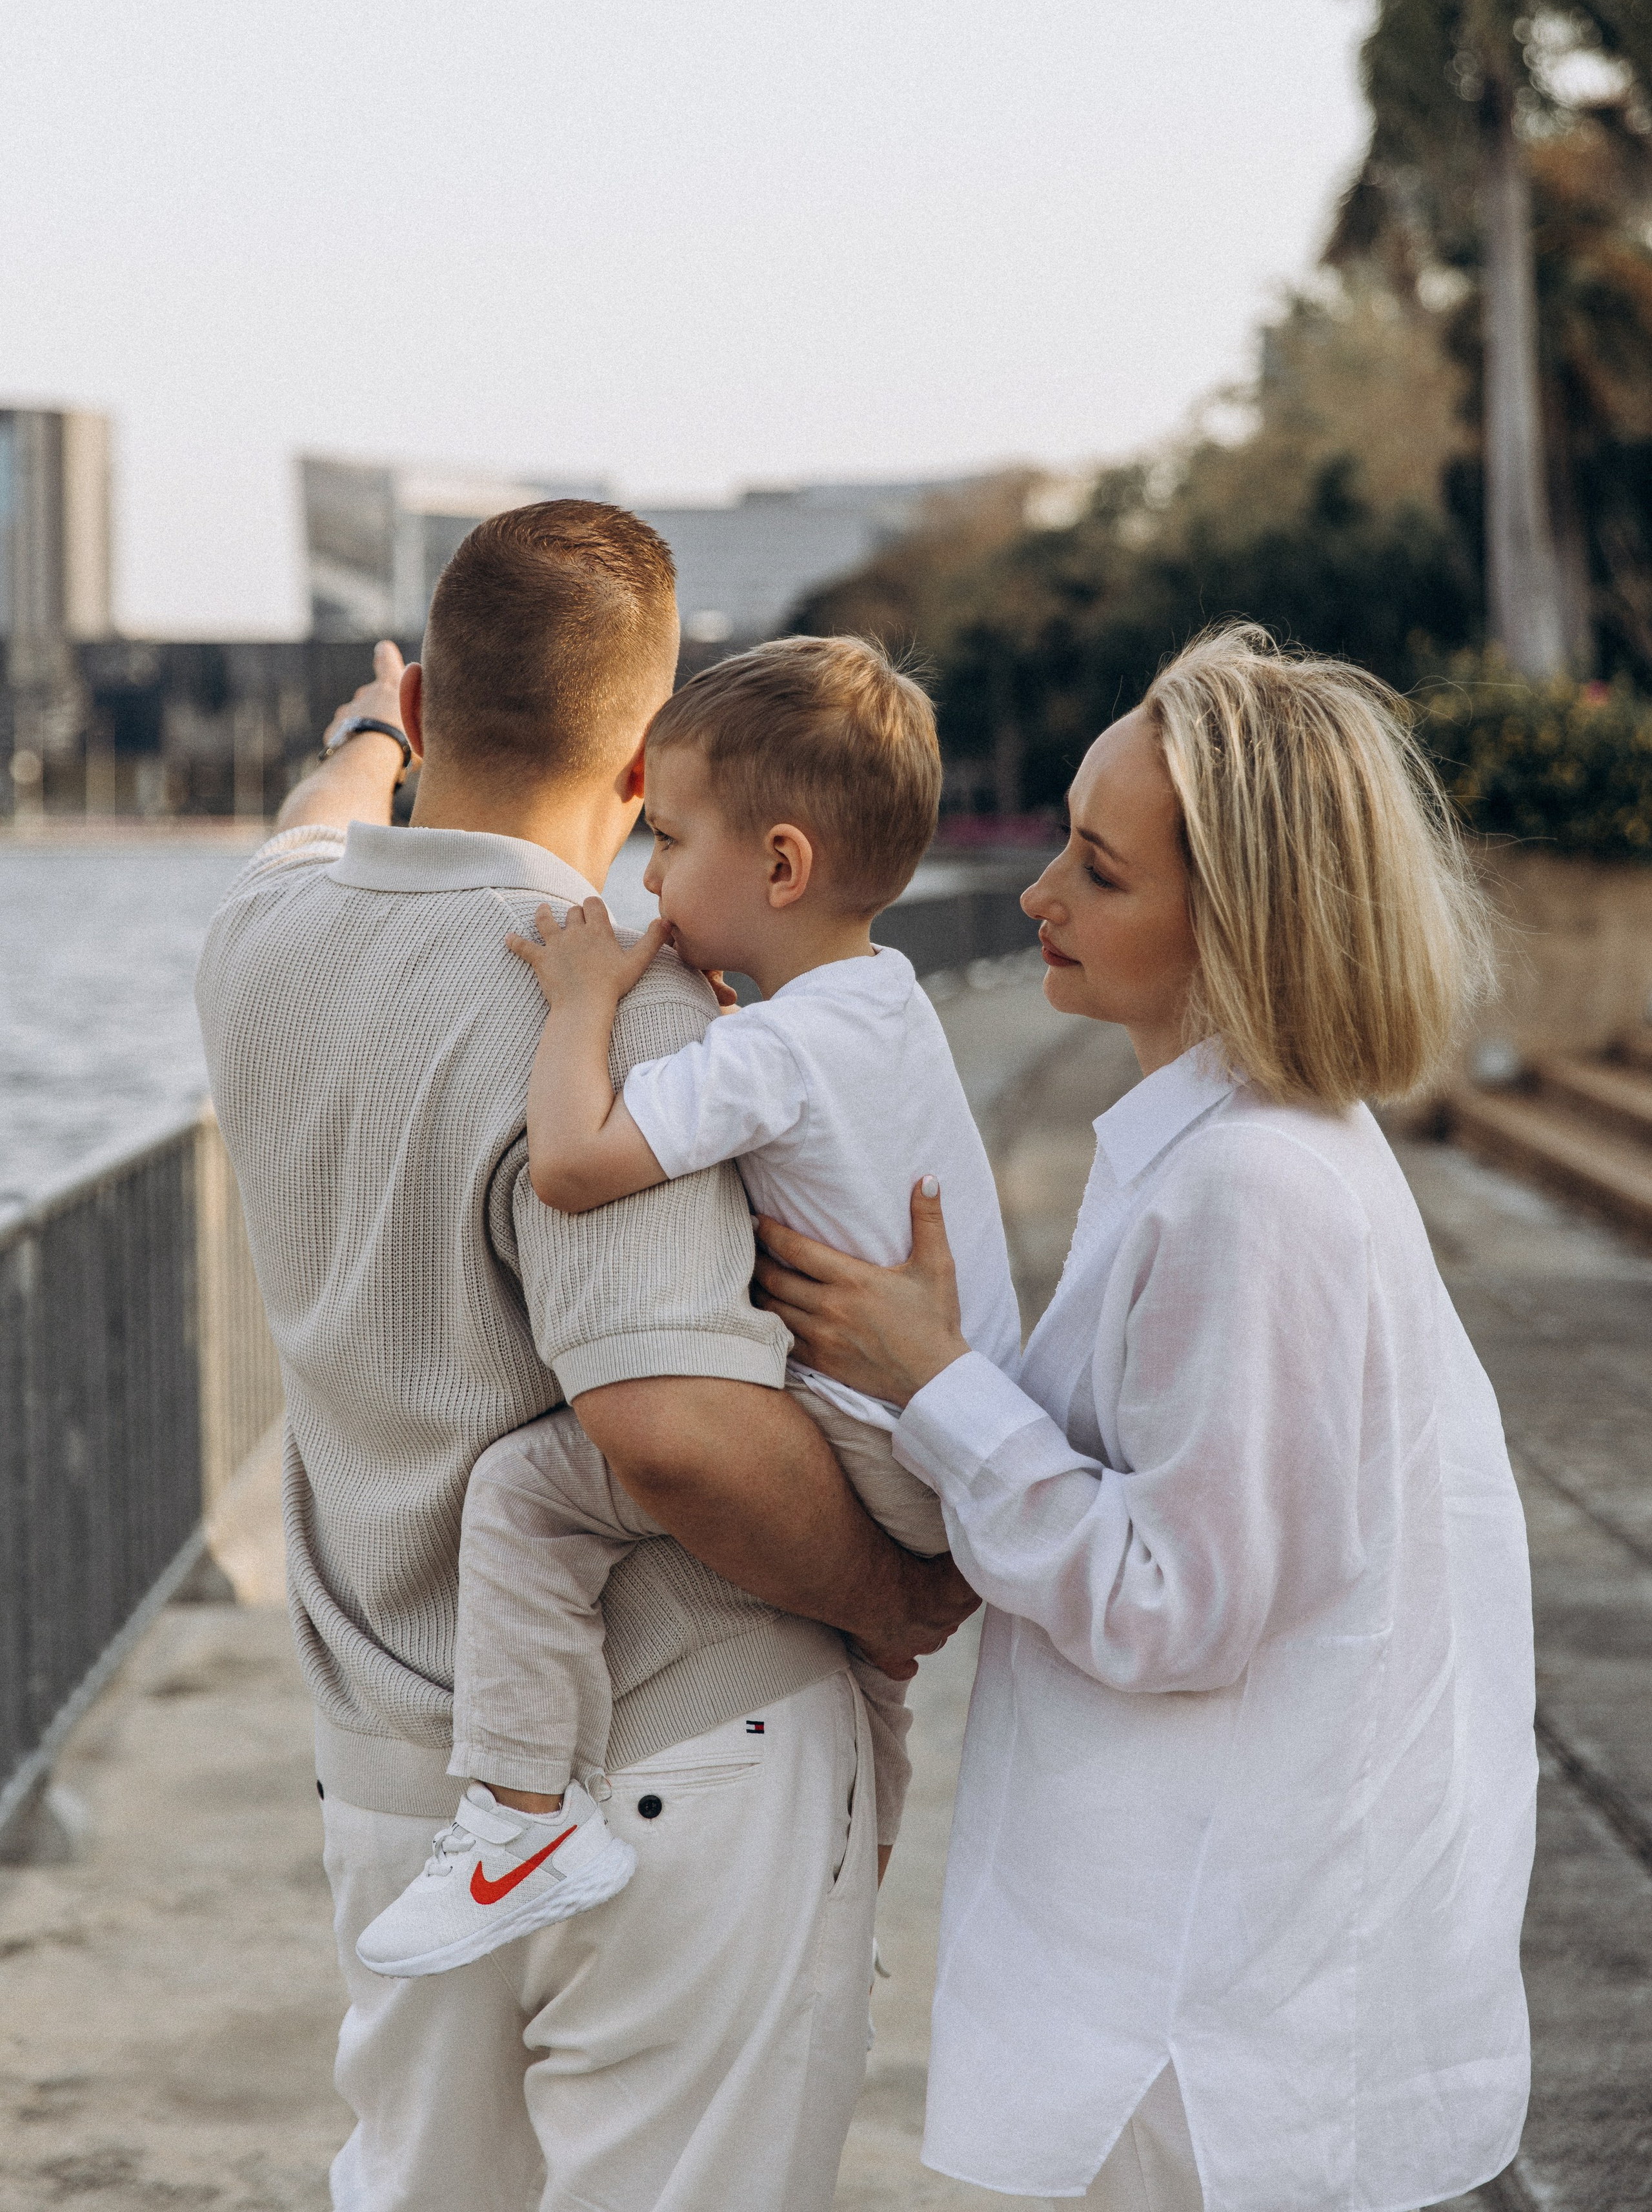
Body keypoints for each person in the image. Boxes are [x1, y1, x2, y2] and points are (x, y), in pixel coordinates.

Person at [196, 501, 976, 2212]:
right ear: (647, 757)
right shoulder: (631, 1014)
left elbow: (314, 822)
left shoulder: (260, 936)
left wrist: (364, 739)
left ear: (439, 703)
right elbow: (669, 1429)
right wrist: (896, 1600)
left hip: (406, 1783)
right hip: (682, 1758)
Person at [754, 625, 1538, 2212]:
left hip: (1215, 2023)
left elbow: (1179, 1600)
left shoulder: (1253, 1190)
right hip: (1219, 1974)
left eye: (1098, 872)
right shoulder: (1238, 1148)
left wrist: (936, 1379)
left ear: (1236, 918)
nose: (1039, 895)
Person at [355, 636, 1022, 1979]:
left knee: (527, 1497)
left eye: (670, 838)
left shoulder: (766, 1052)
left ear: (778, 866)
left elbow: (574, 1164)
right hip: (957, 1435)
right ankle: (856, 1893)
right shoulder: (880, 1005)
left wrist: (582, 1005)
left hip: (880, 1441)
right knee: (869, 1670)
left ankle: (518, 1818)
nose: (646, 876)